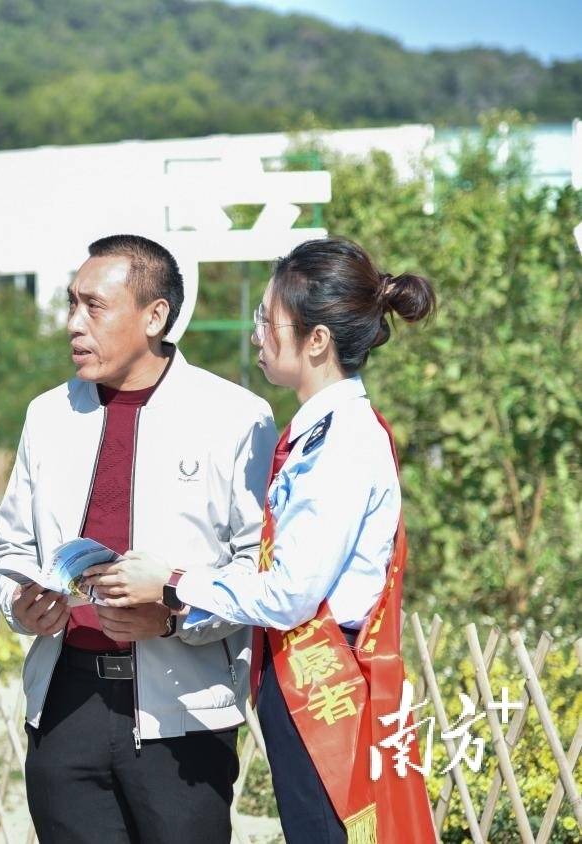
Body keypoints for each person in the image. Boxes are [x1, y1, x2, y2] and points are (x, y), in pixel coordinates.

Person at [86, 237, 437, 842]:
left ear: (317, 340)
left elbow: (289, 594)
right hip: (306, 683)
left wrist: (170, 584)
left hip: (329, 687)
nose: (257, 336)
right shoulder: (320, 434)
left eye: (269, 322)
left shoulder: (343, 444)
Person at [0, 234, 277, 843]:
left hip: (184, 711)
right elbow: (9, 549)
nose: (74, 324)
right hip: (65, 700)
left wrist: (172, 615)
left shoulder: (236, 417)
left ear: (155, 316)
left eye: (94, 307)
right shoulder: (46, 415)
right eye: (72, 304)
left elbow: (256, 565)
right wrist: (20, 605)